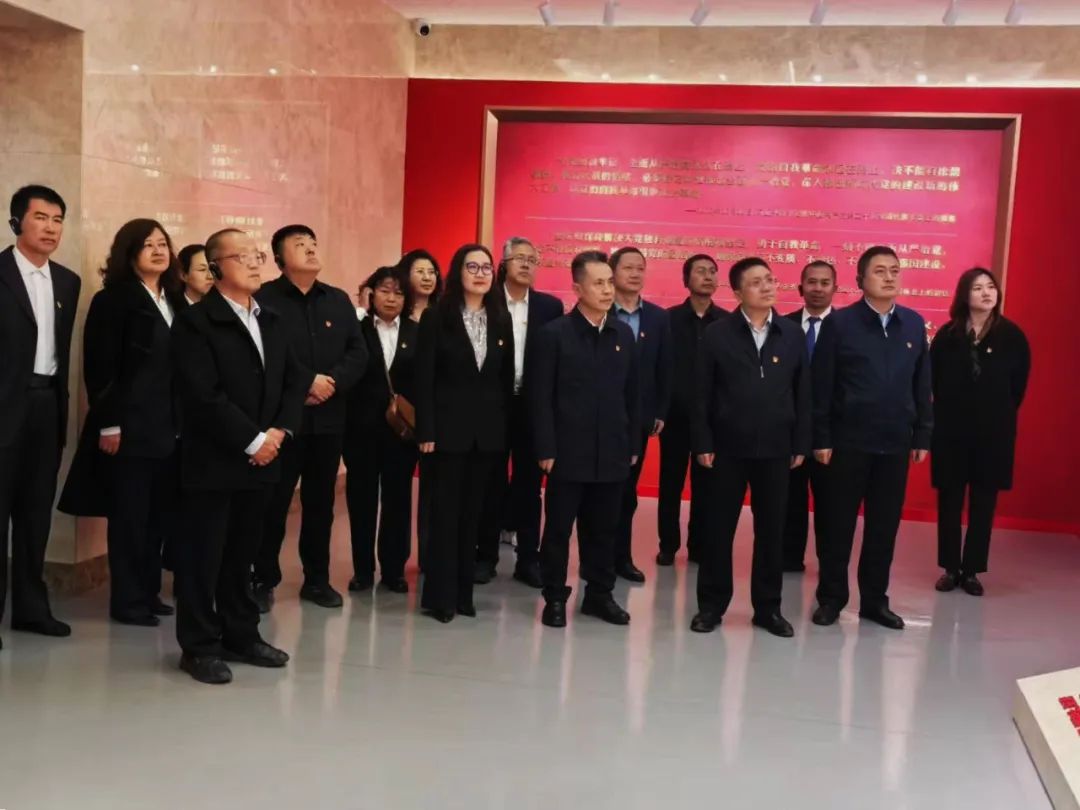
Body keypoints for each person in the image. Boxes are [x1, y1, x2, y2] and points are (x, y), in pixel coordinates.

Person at [171, 228, 309, 684]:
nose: (254, 263)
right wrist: (253, 440)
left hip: (264, 459)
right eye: (242, 256)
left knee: (243, 554)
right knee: (203, 557)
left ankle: (241, 634)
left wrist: (278, 433)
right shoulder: (195, 322)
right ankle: (198, 646)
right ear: (215, 269)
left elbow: (295, 380)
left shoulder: (272, 319)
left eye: (256, 255)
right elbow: (202, 395)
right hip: (214, 460)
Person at [59, 219, 185, 627]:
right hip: (129, 427)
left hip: (170, 426)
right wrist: (109, 424)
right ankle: (127, 600)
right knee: (130, 517)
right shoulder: (113, 300)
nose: (158, 251)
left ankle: (149, 592)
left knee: (159, 515)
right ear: (129, 254)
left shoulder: (175, 299)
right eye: (148, 245)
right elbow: (100, 367)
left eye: (163, 243)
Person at [811, 246, 932, 630]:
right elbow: (822, 385)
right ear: (861, 279)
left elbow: (922, 383)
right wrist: (821, 436)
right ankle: (831, 598)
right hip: (847, 442)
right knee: (837, 526)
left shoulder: (913, 324)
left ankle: (875, 601)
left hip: (894, 442)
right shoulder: (840, 324)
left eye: (894, 270)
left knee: (883, 528)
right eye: (880, 271)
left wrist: (922, 433)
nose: (889, 277)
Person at [689, 258, 810, 637]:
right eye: (756, 282)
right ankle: (711, 606)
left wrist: (800, 441)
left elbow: (803, 392)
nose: (767, 286)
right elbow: (700, 393)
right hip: (726, 448)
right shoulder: (717, 334)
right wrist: (703, 440)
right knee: (717, 529)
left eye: (770, 280)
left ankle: (768, 609)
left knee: (772, 532)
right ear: (738, 292)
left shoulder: (792, 334)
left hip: (776, 448)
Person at [253, 225, 367, 611]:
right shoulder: (264, 299)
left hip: (329, 420)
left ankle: (316, 580)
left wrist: (332, 382)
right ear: (280, 258)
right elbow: (266, 354)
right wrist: (307, 382)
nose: (311, 249)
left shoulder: (337, 300)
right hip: (282, 421)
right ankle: (262, 578)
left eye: (313, 243)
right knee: (273, 502)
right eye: (300, 245)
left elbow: (358, 352)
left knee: (321, 504)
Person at [530, 250, 640, 628]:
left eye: (609, 282)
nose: (607, 290)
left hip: (612, 450)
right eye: (598, 283)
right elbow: (540, 397)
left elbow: (632, 395)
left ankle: (599, 594)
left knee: (604, 529)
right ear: (577, 288)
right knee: (559, 530)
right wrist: (546, 446)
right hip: (567, 452)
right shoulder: (554, 335)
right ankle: (554, 596)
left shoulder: (623, 334)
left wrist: (632, 444)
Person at [415, 244, 514, 623]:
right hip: (445, 433)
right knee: (444, 516)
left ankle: (463, 594)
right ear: (457, 272)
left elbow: (504, 381)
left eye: (487, 268)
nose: (480, 274)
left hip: (486, 436)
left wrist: (502, 432)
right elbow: (424, 378)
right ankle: (440, 597)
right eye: (472, 267)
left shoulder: (500, 318)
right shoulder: (437, 316)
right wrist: (426, 428)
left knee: (472, 516)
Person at [0, 184, 80, 650]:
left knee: (35, 514)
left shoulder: (68, 281)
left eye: (57, 219)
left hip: (46, 406)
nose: (51, 228)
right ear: (17, 222)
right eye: (41, 218)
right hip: (5, 406)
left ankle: (32, 609)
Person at [931, 268, 1029, 596]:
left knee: (983, 502)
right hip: (951, 433)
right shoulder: (947, 336)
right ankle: (950, 567)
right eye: (978, 288)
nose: (987, 293)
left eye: (991, 287)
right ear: (964, 294)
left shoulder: (1012, 336)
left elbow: (1017, 389)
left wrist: (993, 413)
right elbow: (934, 382)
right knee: (949, 500)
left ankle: (972, 570)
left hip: (992, 434)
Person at [475, 237, 563, 587]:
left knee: (530, 485)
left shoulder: (549, 307)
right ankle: (485, 556)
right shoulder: (486, 301)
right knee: (490, 482)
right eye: (519, 258)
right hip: (493, 406)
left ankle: (529, 559)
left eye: (532, 259)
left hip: (532, 405)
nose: (526, 264)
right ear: (503, 264)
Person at [344, 266, 419, 594]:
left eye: (399, 293)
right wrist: (360, 313)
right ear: (371, 293)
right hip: (359, 430)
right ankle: (362, 570)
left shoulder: (417, 333)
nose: (392, 298)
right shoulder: (355, 329)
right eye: (385, 291)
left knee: (397, 500)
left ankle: (393, 569)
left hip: (401, 432)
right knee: (360, 500)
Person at [657, 253, 727, 567]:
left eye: (713, 271)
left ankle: (699, 546)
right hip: (676, 416)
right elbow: (660, 367)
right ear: (686, 280)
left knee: (707, 486)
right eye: (700, 271)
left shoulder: (727, 322)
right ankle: (668, 545)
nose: (708, 276)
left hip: (712, 420)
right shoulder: (667, 320)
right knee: (670, 483)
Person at [608, 246, 672, 583]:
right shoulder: (601, 309)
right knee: (601, 493)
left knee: (627, 492)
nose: (635, 274)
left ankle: (621, 557)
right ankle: (597, 559)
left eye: (640, 268)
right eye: (628, 267)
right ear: (612, 271)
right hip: (601, 415)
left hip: (638, 417)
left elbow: (665, 367)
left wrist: (660, 409)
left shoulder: (658, 318)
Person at [781, 260, 836, 572]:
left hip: (831, 432)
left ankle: (829, 564)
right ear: (800, 287)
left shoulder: (845, 328)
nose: (818, 288)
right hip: (790, 428)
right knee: (790, 499)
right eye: (812, 282)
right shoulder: (782, 326)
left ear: (835, 288)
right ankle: (790, 558)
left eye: (825, 283)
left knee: (830, 503)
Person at [398, 248, 442, 572]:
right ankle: (395, 563)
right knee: (398, 494)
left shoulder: (444, 318)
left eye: (432, 272)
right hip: (400, 418)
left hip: (435, 419)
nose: (427, 278)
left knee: (433, 494)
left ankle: (430, 558)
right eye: (420, 271)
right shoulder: (395, 318)